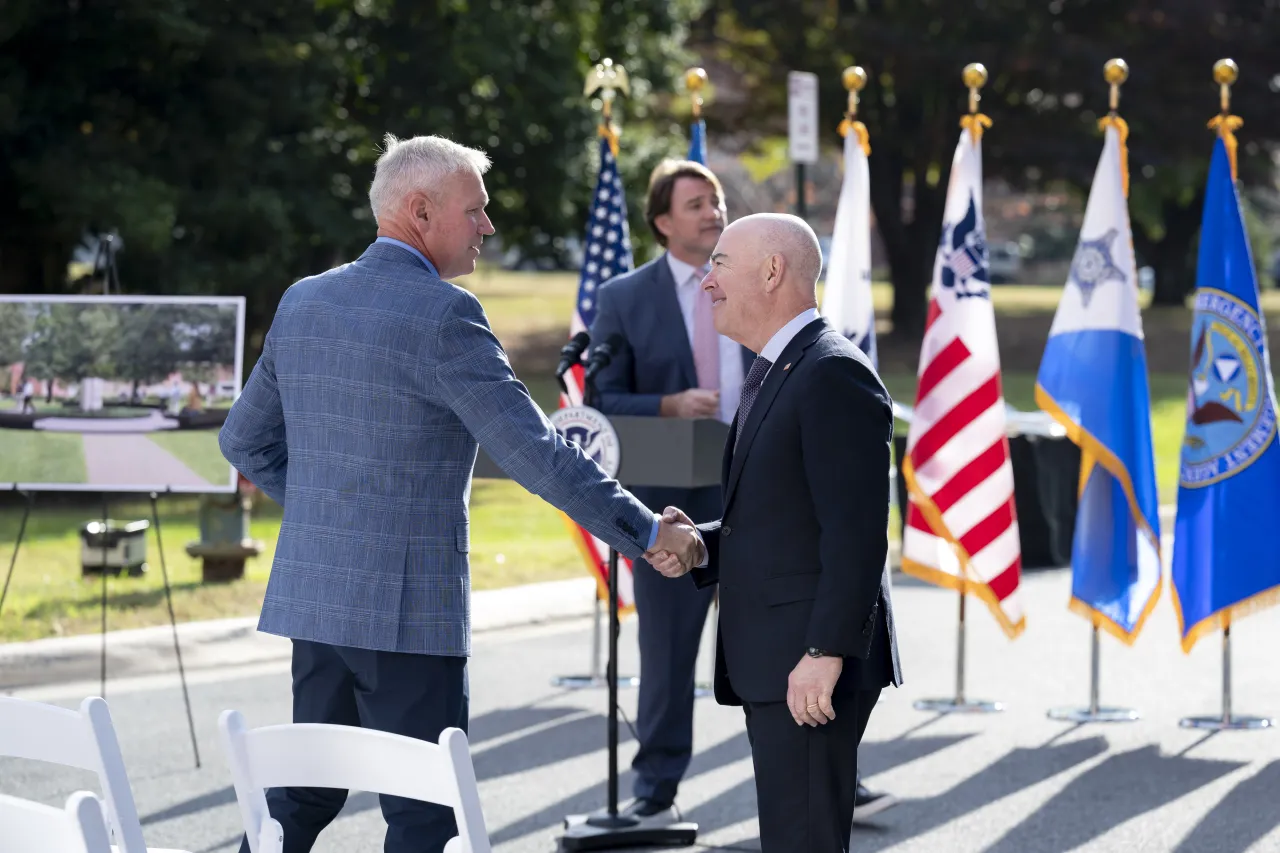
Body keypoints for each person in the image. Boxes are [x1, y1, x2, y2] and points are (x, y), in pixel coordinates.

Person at [218, 133, 702, 853]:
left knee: (300, 796)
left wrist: (333, 512)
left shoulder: (304, 300)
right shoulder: (447, 315)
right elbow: (537, 455)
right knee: (424, 815)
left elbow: (243, 441)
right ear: (419, 211)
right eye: (475, 210)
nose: (489, 227)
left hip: (316, 603)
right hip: (407, 613)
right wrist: (650, 533)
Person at [649, 213, 902, 852]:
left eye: (721, 265)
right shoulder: (783, 367)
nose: (706, 282)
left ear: (771, 272)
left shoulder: (829, 372)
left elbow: (857, 533)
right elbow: (782, 517)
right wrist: (702, 542)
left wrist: (823, 653)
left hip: (808, 665)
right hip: (782, 660)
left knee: (805, 841)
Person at [588, 159, 752, 819]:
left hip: (752, 487)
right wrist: (668, 405)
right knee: (668, 653)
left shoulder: (750, 277)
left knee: (783, 638)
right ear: (661, 221)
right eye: (696, 203)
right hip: (669, 503)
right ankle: (655, 790)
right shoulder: (625, 297)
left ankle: (828, 774)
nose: (714, 211)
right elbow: (600, 394)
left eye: (715, 200)